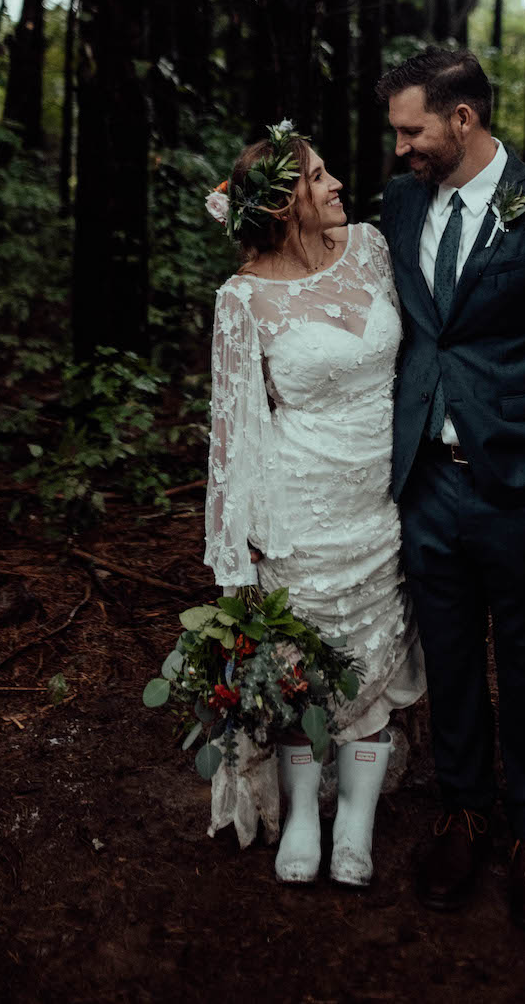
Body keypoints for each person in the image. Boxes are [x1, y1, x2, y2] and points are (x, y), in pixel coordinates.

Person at [376, 48, 525, 929]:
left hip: (520, 479)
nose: (401, 149)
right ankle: (462, 808)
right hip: (426, 481)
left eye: (413, 130)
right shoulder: (401, 203)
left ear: (463, 119)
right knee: (448, 653)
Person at [202, 121, 425, 887]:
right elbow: (233, 431)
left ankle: (355, 824)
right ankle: (302, 814)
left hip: (384, 498)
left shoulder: (371, 249)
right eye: (319, 177)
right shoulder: (242, 299)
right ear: (286, 203)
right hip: (300, 507)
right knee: (302, 667)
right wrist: (244, 539)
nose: (336, 185)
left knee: (374, 658)